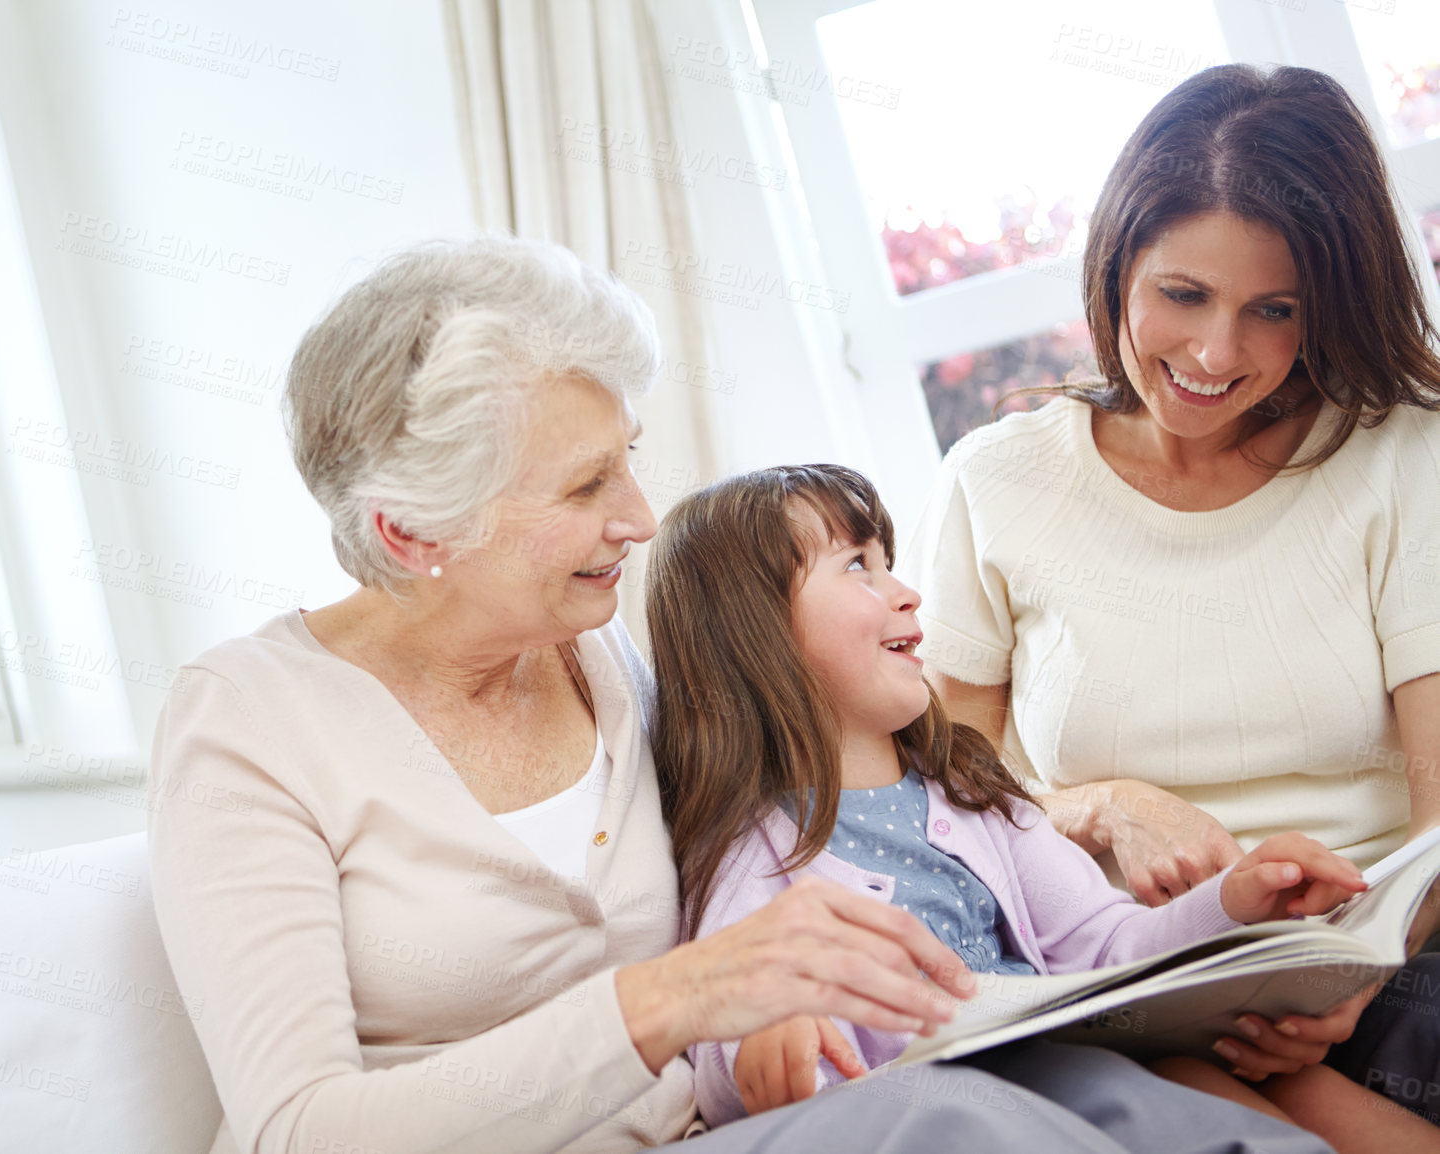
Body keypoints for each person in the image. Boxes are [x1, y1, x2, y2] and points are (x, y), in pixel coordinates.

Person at [146, 236, 1185, 1154]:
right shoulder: (247, 723)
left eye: (626, 462)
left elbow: (826, 800)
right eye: (583, 485)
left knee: (1096, 1090)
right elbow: (302, 1129)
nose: (640, 518)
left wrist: (1089, 809)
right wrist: (672, 998)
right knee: (962, 1121)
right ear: (413, 533)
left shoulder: (601, 664)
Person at [898, 63, 1440, 1125]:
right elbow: (944, 797)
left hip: (1389, 939)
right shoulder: (996, 480)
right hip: (1130, 963)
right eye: (1182, 294)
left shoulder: (1399, 457)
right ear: (1115, 268)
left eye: (1272, 310)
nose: (1214, 352)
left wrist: (1353, 976)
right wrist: (1105, 804)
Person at [645, 461, 1402, 1152]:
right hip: (925, 1118)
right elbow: (723, 1029)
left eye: (888, 562)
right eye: (856, 567)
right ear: (755, 634)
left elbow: (1110, 952)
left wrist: (1232, 902)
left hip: (1049, 1069)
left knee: (1183, 1101)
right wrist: (759, 1045)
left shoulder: (973, 796)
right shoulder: (748, 851)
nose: (904, 591)